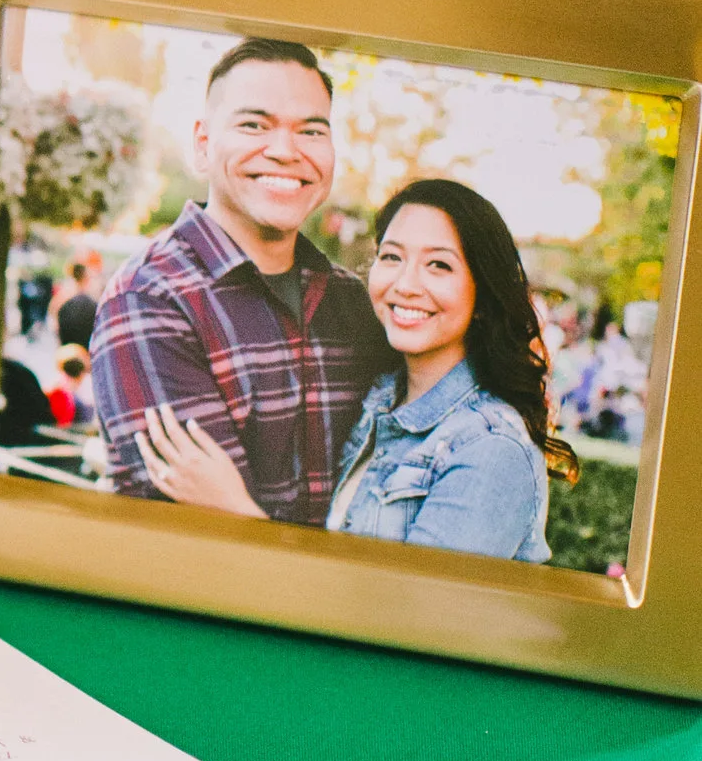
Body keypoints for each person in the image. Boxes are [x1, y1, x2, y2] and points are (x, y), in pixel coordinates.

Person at [138, 176, 570, 564]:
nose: (405, 284)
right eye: (392, 257)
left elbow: (403, 631)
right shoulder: (376, 401)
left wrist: (238, 515)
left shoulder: (490, 448)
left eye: (438, 265)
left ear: (483, 295)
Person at [90, 37, 383, 525]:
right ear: (203, 145)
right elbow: (204, 543)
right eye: (254, 125)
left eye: (312, 131)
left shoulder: (353, 303)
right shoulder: (149, 301)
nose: (286, 151)